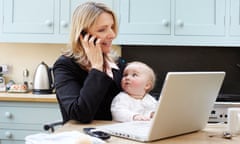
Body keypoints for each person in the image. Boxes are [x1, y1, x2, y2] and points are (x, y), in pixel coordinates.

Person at [53, 2, 125, 124]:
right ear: (83, 35)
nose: (112, 35)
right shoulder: (65, 66)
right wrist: (97, 68)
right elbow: (79, 114)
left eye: (112, 27)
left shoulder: (117, 63)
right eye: (102, 29)